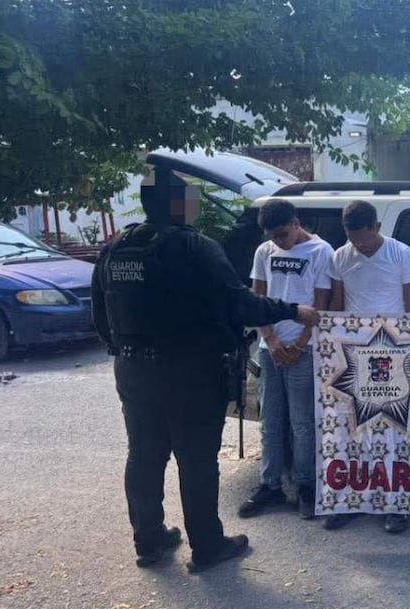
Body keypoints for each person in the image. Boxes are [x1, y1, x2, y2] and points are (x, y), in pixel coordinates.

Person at [91, 169, 320, 573]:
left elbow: (98, 312)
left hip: (132, 368)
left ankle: (149, 540)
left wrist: (126, 350)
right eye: (192, 198)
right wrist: (292, 311)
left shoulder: (117, 247)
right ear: (179, 204)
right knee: (196, 459)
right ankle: (208, 545)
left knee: (144, 455)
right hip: (189, 371)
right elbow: (238, 303)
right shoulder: (194, 246)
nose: (195, 206)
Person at [324, 200, 410, 533]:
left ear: (377, 228)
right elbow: (337, 307)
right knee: (354, 430)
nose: (360, 246)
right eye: (354, 240)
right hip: (355, 355)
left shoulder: (401, 253)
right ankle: (353, 499)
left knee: (396, 431)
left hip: (395, 354)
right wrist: (331, 346)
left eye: (365, 239)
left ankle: (397, 504)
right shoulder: (339, 257)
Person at [237, 200, 333, 521]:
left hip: (305, 348)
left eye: (282, 234)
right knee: (271, 420)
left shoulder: (321, 252)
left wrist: (299, 344)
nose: (279, 241)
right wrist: (272, 339)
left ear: (296, 223)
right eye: (273, 236)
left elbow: (321, 305)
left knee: (302, 422)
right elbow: (257, 299)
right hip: (271, 347)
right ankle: (270, 484)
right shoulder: (265, 252)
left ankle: (306, 485)